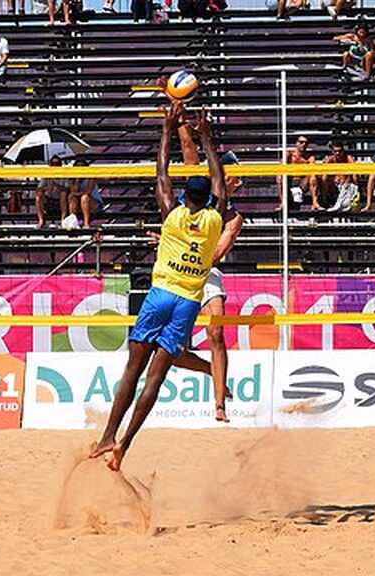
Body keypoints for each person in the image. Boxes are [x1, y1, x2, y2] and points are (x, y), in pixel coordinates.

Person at [91, 103, 233, 471]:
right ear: (211, 202)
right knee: (156, 377)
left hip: (159, 296)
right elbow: (219, 182)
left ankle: (108, 435)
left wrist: (167, 129)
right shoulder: (216, 219)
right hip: (187, 301)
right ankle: (125, 445)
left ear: (187, 198)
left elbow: (161, 175)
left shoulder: (172, 215)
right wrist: (206, 137)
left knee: (132, 371)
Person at [164, 114, 244, 423]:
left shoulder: (233, 217)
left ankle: (219, 405)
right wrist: (178, 113)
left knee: (216, 332)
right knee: (172, 352)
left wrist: (186, 247)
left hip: (203, 270)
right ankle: (213, 373)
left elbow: (217, 255)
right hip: (180, 272)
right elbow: (186, 145)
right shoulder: (198, 196)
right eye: (235, 176)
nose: (240, 181)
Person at [280, 135, 318, 210]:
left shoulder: (309, 157)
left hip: (303, 183)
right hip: (290, 180)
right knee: (279, 176)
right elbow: (281, 166)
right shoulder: (289, 154)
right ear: (296, 143)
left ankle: (314, 202)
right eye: (301, 142)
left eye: (306, 143)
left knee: (313, 176)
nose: (303, 144)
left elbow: (312, 168)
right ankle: (283, 203)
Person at [317, 141, 357, 211]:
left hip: (346, 184)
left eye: (340, 151)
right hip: (333, 185)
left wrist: (346, 180)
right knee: (324, 177)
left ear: (343, 150)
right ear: (332, 151)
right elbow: (323, 173)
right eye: (335, 151)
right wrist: (334, 178)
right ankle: (324, 201)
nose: (338, 153)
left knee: (354, 178)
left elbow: (354, 173)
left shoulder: (348, 158)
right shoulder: (330, 159)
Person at [36, 155, 69, 228]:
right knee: (38, 197)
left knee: (63, 194)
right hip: (48, 199)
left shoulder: (64, 175)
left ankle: (63, 220)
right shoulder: (46, 175)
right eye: (53, 164)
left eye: (57, 164)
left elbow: (67, 189)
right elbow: (39, 189)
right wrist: (47, 188)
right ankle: (41, 220)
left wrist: (56, 186)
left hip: (60, 199)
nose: (55, 166)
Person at [68, 160, 101, 228]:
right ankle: (72, 222)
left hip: (92, 200)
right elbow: (73, 191)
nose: (80, 168)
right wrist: (77, 180)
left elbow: (88, 191)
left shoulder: (90, 176)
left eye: (82, 166)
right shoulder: (72, 178)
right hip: (79, 201)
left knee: (84, 197)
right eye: (78, 166)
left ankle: (86, 223)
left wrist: (77, 194)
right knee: (72, 197)